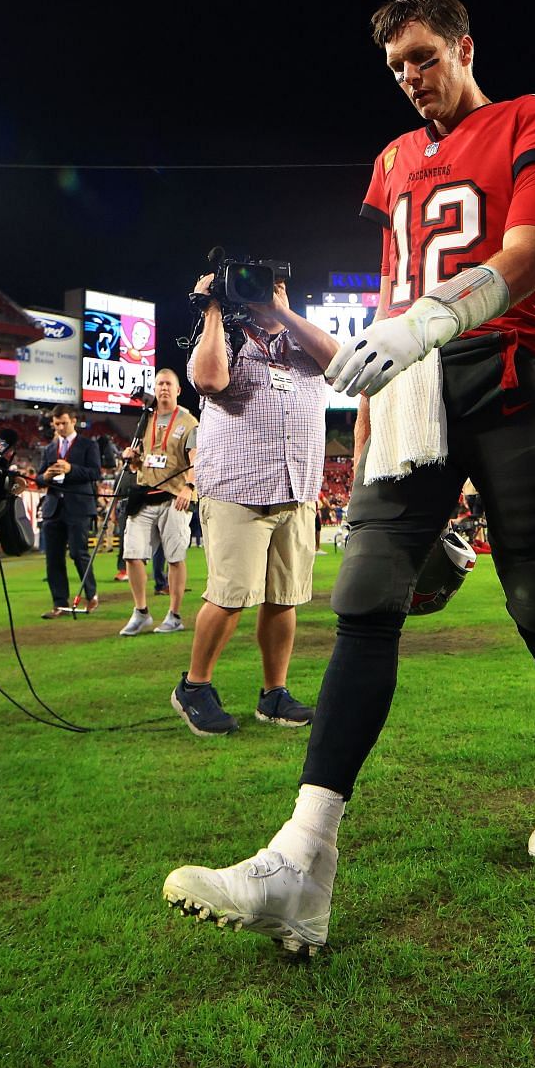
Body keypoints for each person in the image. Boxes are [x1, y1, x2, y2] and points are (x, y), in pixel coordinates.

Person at [162, 0, 535, 952]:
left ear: (462, 44)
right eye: (396, 66)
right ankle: (302, 859)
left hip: (503, 370)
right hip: (411, 385)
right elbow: (398, 281)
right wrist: (377, 397)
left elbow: (528, 255)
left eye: (422, 56)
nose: (411, 78)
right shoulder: (395, 161)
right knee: (364, 598)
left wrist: (429, 322)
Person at [168, 273, 332, 733]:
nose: (263, 293)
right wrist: (214, 308)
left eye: (272, 285)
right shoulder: (227, 339)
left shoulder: (303, 347)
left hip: (296, 490)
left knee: (285, 598)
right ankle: (194, 686)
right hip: (238, 491)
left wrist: (283, 313)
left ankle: (273, 693)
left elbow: (342, 363)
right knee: (230, 596)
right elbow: (208, 379)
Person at [117, 370, 197, 636]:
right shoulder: (145, 420)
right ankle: (141, 612)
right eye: (160, 384)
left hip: (175, 498)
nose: (163, 388)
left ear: (178, 390)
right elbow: (143, 459)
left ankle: (174, 615)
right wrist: (132, 458)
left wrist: (190, 486)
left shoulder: (188, 421)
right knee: (132, 553)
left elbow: (197, 459)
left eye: (168, 384)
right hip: (145, 494)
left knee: (175, 558)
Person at [37, 406, 102, 618]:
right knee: (53, 558)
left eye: (64, 423)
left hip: (79, 507)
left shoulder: (87, 445)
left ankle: (91, 596)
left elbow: (95, 473)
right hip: (53, 508)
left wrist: (70, 469)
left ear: (73, 421)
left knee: (78, 553)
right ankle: (59, 603)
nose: (60, 427)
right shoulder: (49, 449)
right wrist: (45, 475)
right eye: (57, 424)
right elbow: (38, 478)